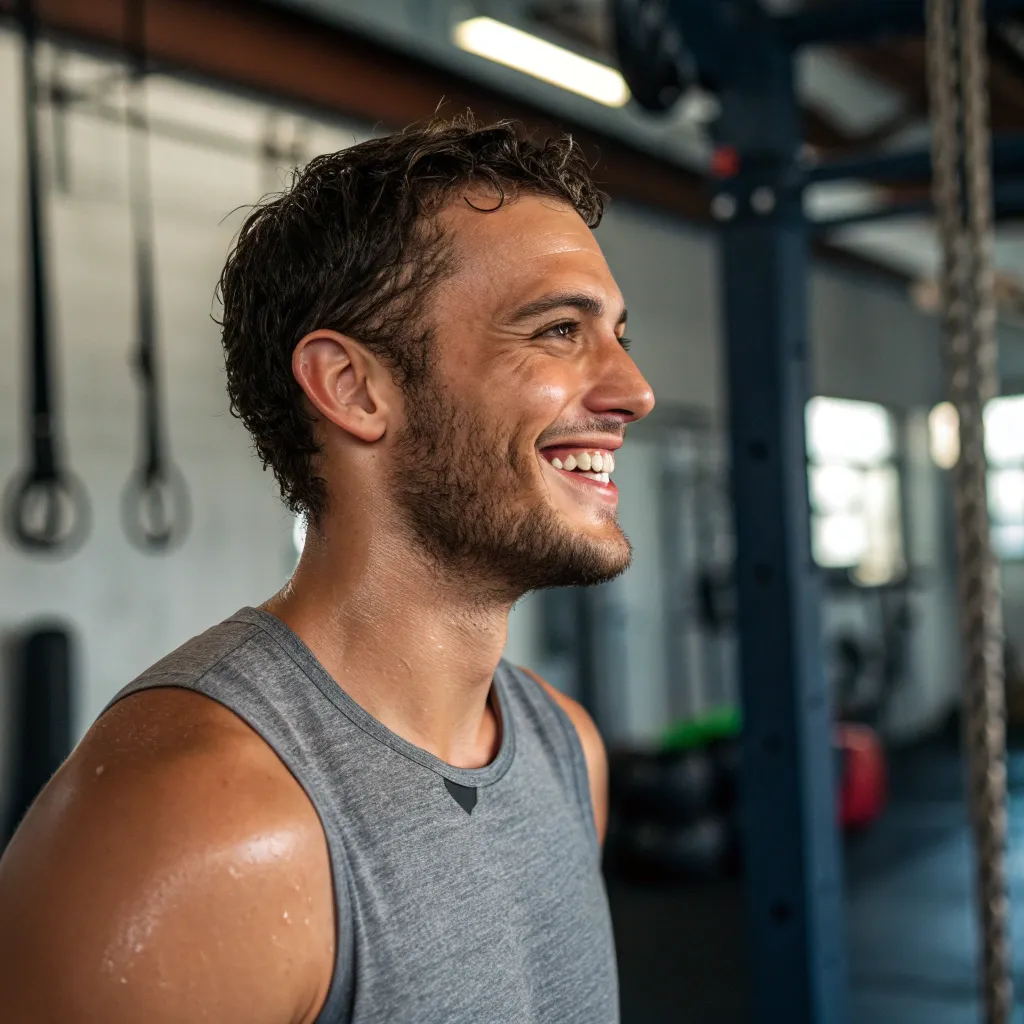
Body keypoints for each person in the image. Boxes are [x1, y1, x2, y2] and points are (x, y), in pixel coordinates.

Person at [0, 115, 654, 1023]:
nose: (632, 390)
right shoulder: (197, 827)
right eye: (555, 331)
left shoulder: (564, 748)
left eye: (619, 334)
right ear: (353, 388)